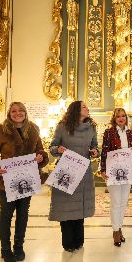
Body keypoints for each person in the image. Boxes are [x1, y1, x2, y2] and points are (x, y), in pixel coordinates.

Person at [0, 102, 49, 262]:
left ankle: (19, 247)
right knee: (6, 214)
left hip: (27, 179)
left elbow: (40, 151)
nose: (17, 113)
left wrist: (40, 156)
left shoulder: (33, 129)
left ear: (25, 112)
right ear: (9, 114)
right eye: (14, 111)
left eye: (20, 110)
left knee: (23, 214)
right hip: (7, 180)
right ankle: (5, 249)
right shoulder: (1, 131)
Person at [49, 101, 99, 252]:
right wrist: (58, 148)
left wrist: (95, 151)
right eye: (84, 106)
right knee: (66, 206)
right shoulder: (62, 127)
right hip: (66, 171)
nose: (87, 108)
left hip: (84, 171)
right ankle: (68, 242)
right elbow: (52, 147)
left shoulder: (91, 128)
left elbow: (95, 146)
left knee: (80, 205)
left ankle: (79, 240)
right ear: (76, 110)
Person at [99, 108, 132, 247]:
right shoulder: (109, 132)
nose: (121, 118)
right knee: (116, 202)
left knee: (123, 203)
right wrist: (103, 169)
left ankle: (120, 227)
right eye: (118, 116)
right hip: (112, 172)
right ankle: (115, 231)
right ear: (114, 118)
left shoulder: (131, 133)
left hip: (127, 172)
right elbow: (105, 151)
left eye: (123, 116)